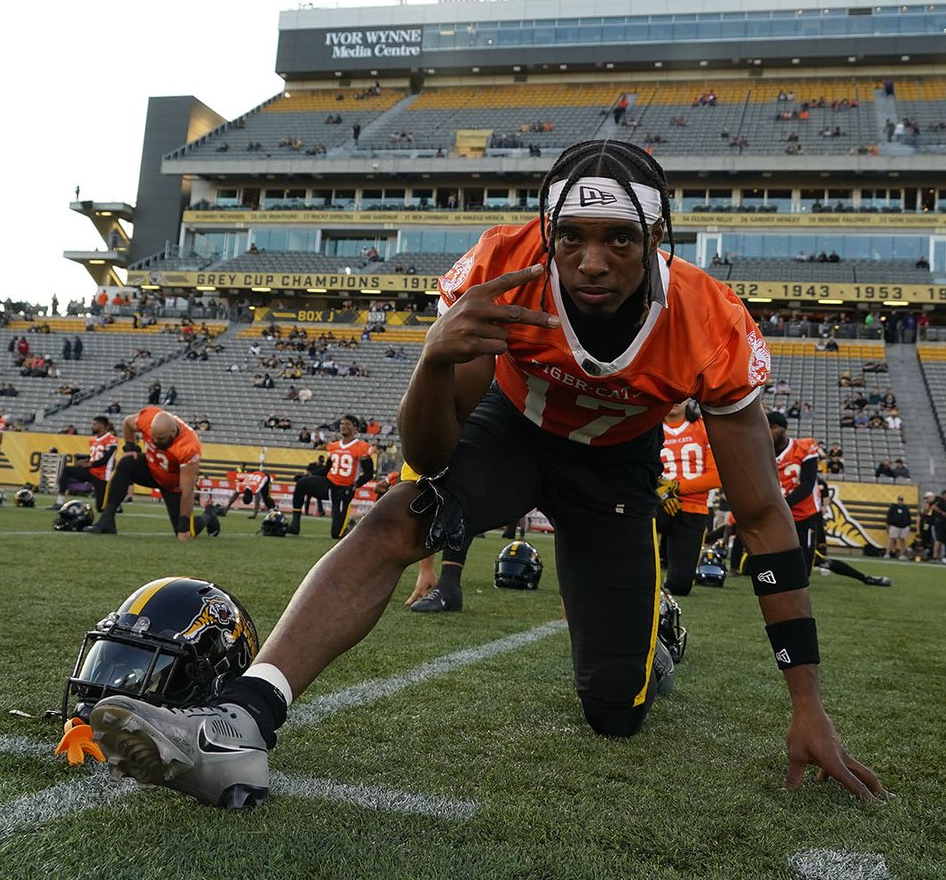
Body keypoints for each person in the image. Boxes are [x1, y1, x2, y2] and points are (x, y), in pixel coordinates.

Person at [89, 139, 884, 809]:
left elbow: (762, 520)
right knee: (404, 511)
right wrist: (434, 362)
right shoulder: (504, 265)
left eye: (619, 239)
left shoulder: (710, 321)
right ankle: (242, 719)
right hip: (511, 432)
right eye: (571, 236)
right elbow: (432, 457)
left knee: (615, 713)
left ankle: (653, 639)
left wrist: (807, 704)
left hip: (616, 472)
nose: (592, 261)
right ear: (546, 230)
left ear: (657, 237)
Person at [84, 407, 202, 538]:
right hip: (151, 469)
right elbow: (127, 422)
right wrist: (130, 448)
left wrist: (183, 525)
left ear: (173, 432)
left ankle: (209, 516)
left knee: (185, 531)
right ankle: (107, 519)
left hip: (172, 485)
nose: (156, 442)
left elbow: (188, 491)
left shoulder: (189, 446)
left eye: (161, 439)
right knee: (126, 462)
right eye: (154, 438)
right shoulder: (148, 418)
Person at [656, 399, 721, 595]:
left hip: (693, 507)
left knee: (680, 586)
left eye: (679, 396)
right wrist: (661, 492)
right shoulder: (648, 427)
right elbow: (636, 467)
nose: (675, 401)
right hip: (655, 502)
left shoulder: (703, 427)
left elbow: (716, 476)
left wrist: (675, 487)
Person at [766, 412, 820, 571]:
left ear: (782, 428)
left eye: (773, 428)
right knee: (776, 563)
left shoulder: (803, 447)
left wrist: (782, 505)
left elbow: (807, 485)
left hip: (803, 515)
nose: (769, 432)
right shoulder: (762, 452)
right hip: (778, 517)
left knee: (804, 566)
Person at [323, 415, 375, 539]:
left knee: (336, 534)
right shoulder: (333, 446)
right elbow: (326, 469)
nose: (343, 426)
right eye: (342, 424)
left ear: (355, 428)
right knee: (304, 484)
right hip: (332, 485)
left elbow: (369, 473)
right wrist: (310, 474)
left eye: (347, 424)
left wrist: (355, 485)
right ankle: (294, 525)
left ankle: (351, 526)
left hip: (346, 489)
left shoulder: (362, 447)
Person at [52, 416, 117, 512]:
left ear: (102, 425)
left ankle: (116, 505)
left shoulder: (111, 439)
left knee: (100, 508)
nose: (92, 426)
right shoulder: (92, 440)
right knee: (67, 470)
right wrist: (85, 460)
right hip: (90, 471)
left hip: (102, 475)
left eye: (94, 424)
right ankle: (59, 501)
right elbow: (95, 456)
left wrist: (89, 464)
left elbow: (105, 459)